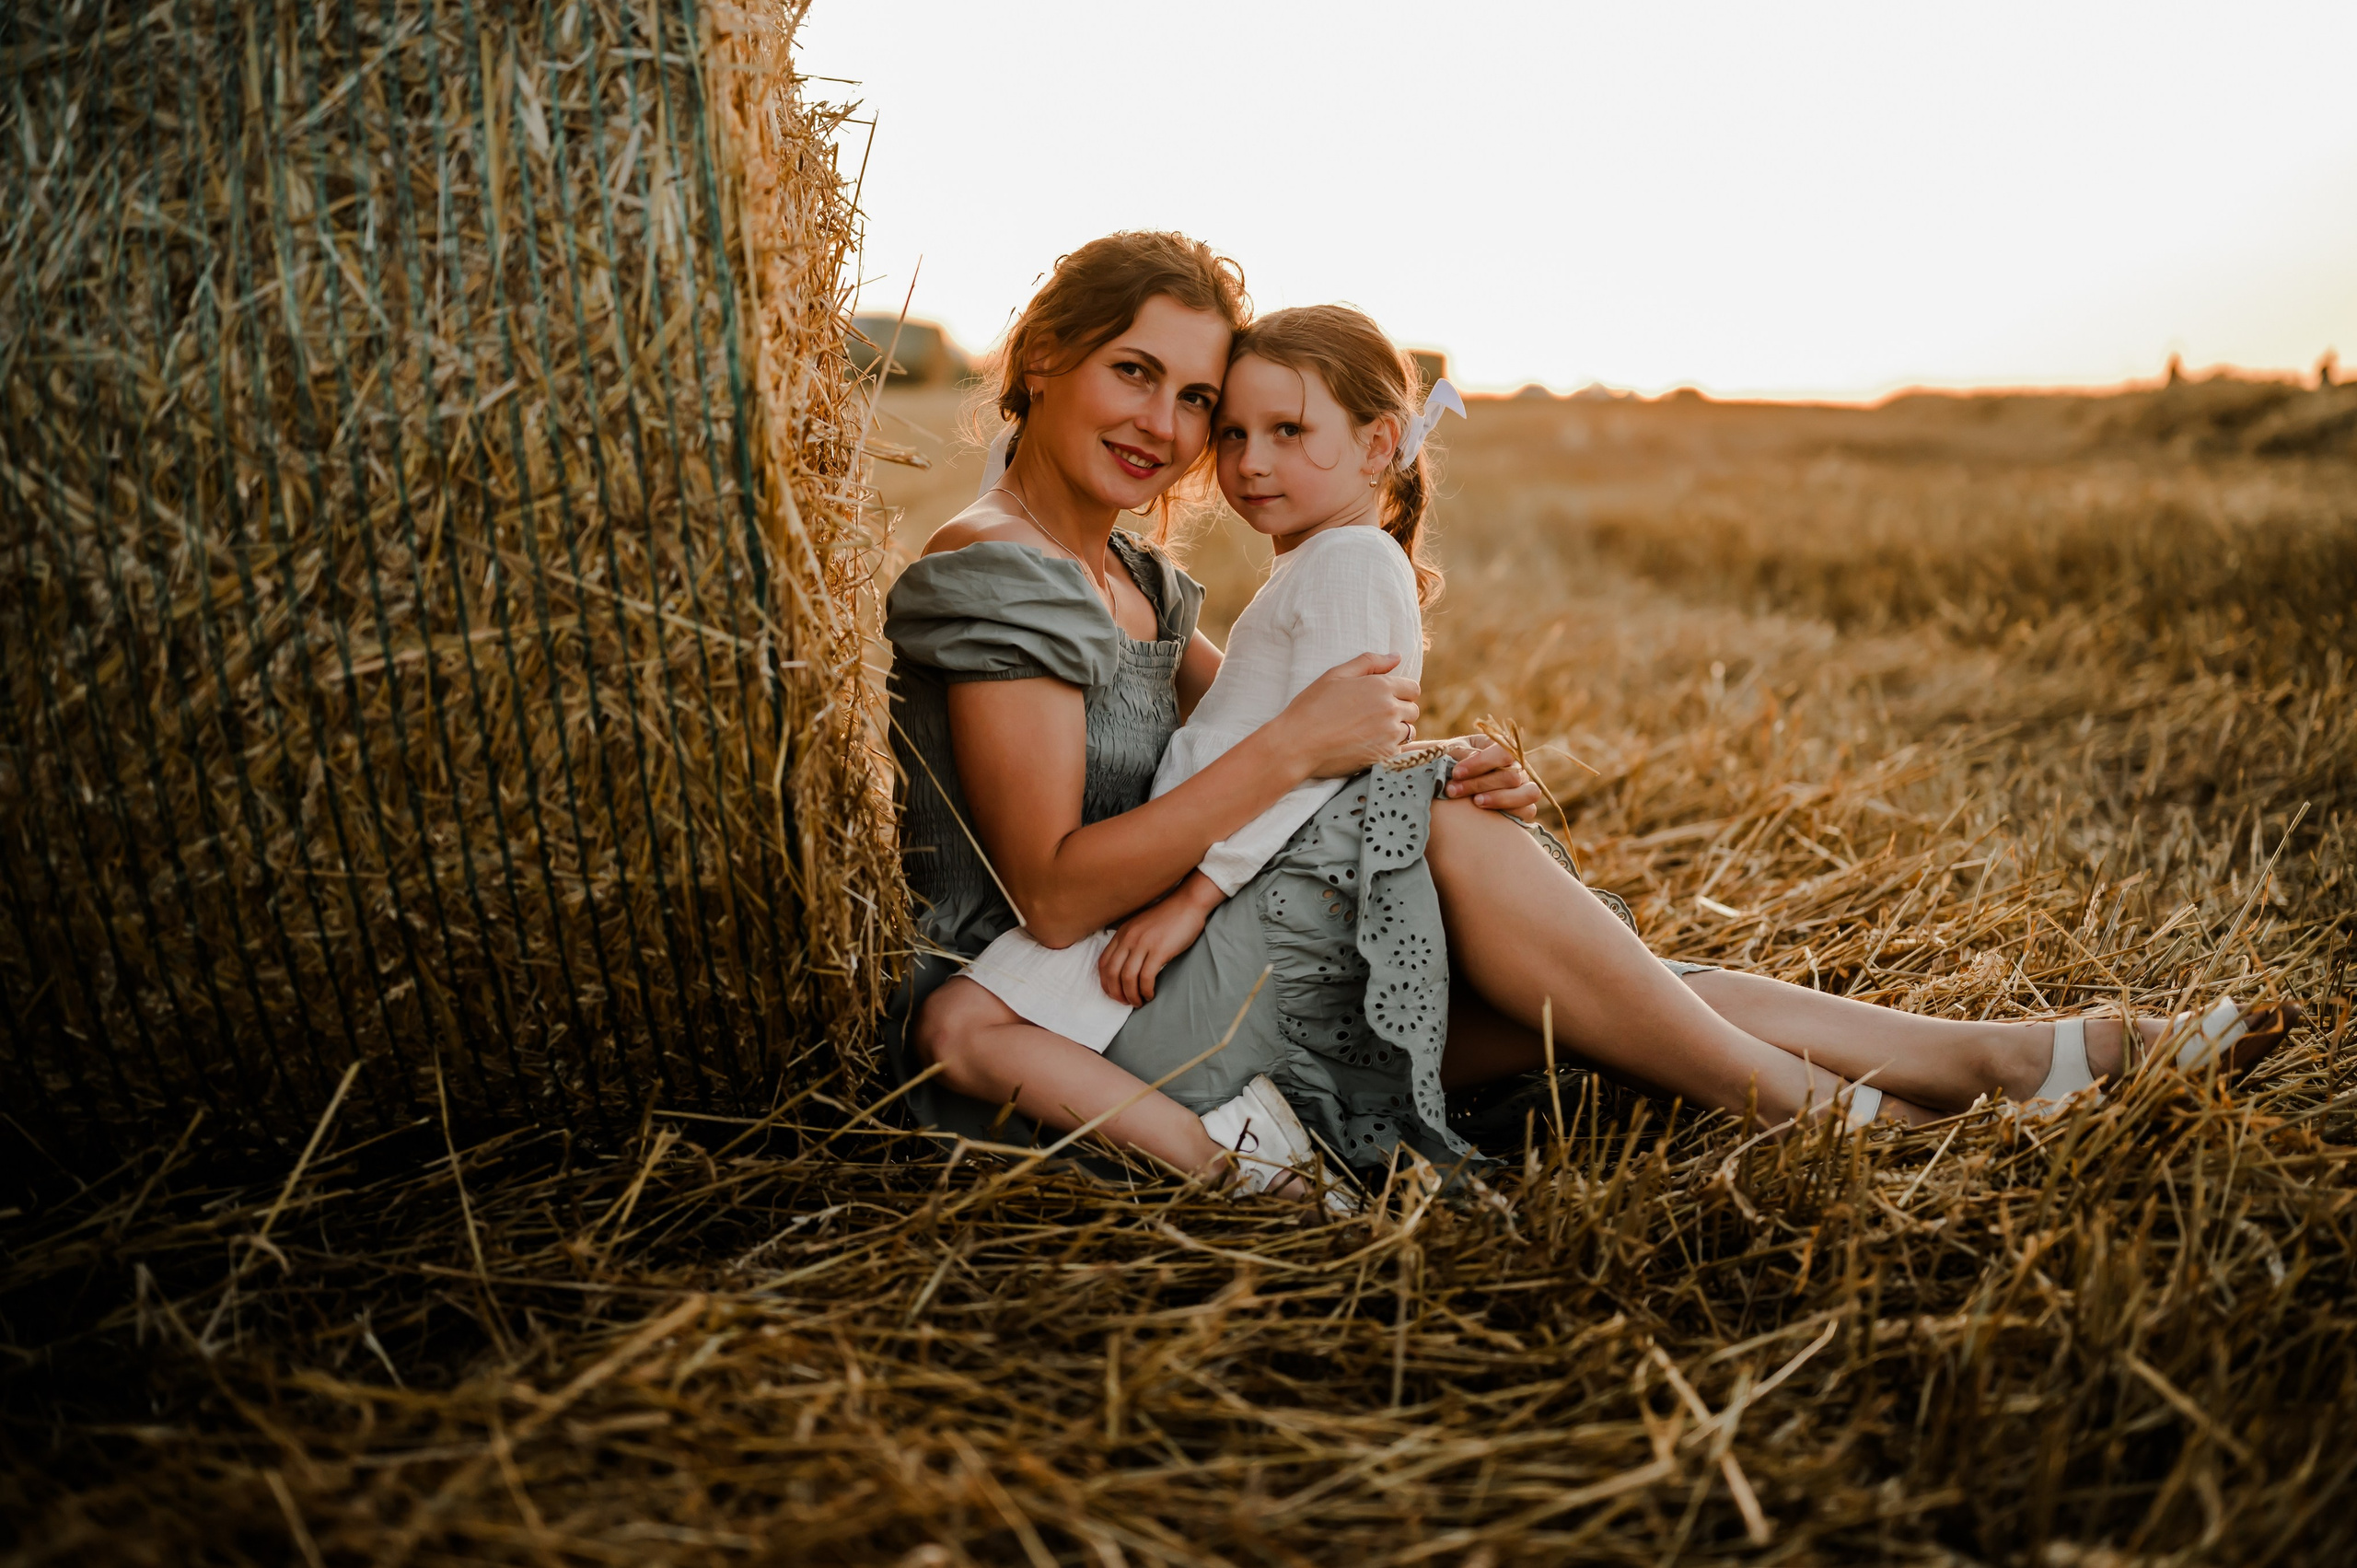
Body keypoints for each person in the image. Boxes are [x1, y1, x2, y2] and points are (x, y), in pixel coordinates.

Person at [883, 233, 2295, 1192]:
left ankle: (2017, 1056)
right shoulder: (1000, 571)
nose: (1173, 426)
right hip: (1084, 1010)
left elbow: (1296, 739)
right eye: (1138, 373)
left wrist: (1423, 764)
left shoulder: (1130, 573)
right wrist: (1323, 757)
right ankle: (1836, 1128)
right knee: (1541, 935)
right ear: (1045, 355)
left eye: (1196, 394)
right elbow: (1063, 895)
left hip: (1188, 964)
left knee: (1622, 1007)